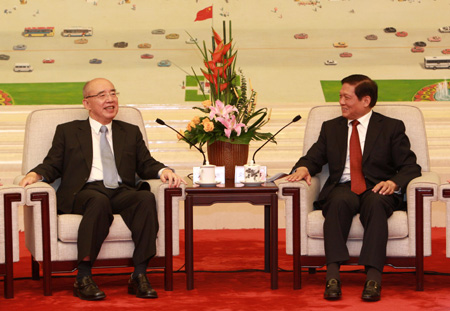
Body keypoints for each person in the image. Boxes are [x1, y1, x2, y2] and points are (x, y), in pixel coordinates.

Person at [19, 78, 186, 301]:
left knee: (145, 199)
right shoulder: (68, 131)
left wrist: (163, 170)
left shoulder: (130, 131)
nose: (110, 99)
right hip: (84, 191)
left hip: (120, 189)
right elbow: (53, 163)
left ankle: (139, 275)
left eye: (113, 93)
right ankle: (83, 277)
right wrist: (35, 174)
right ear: (87, 103)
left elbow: (146, 163)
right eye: (102, 95)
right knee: (98, 201)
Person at [286, 74, 421, 301]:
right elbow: (313, 157)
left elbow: (410, 166)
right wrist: (302, 168)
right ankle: (332, 276)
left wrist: (393, 182)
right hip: (344, 186)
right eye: (340, 96)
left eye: (346, 97)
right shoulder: (331, 128)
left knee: (376, 204)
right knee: (338, 201)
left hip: (378, 187)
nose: (341, 102)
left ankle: (373, 279)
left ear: (365, 101)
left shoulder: (391, 127)